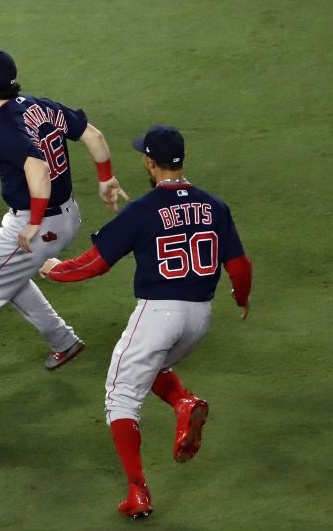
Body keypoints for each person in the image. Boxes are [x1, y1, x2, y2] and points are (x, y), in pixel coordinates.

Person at [40, 124, 252, 519]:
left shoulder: (144, 209)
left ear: (150, 163)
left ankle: (138, 492)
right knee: (153, 365)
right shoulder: (214, 205)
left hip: (159, 313)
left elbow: (96, 263)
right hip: (200, 317)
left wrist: (54, 270)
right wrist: (241, 298)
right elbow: (239, 265)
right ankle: (183, 402)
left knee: (120, 395)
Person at [0, 47, 125, 390]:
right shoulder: (41, 106)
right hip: (65, 215)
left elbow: (38, 170)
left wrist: (33, 222)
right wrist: (106, 177)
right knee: (8, 276)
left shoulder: (0, 128)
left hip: (38, 221)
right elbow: (94, 135)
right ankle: (62, 340)